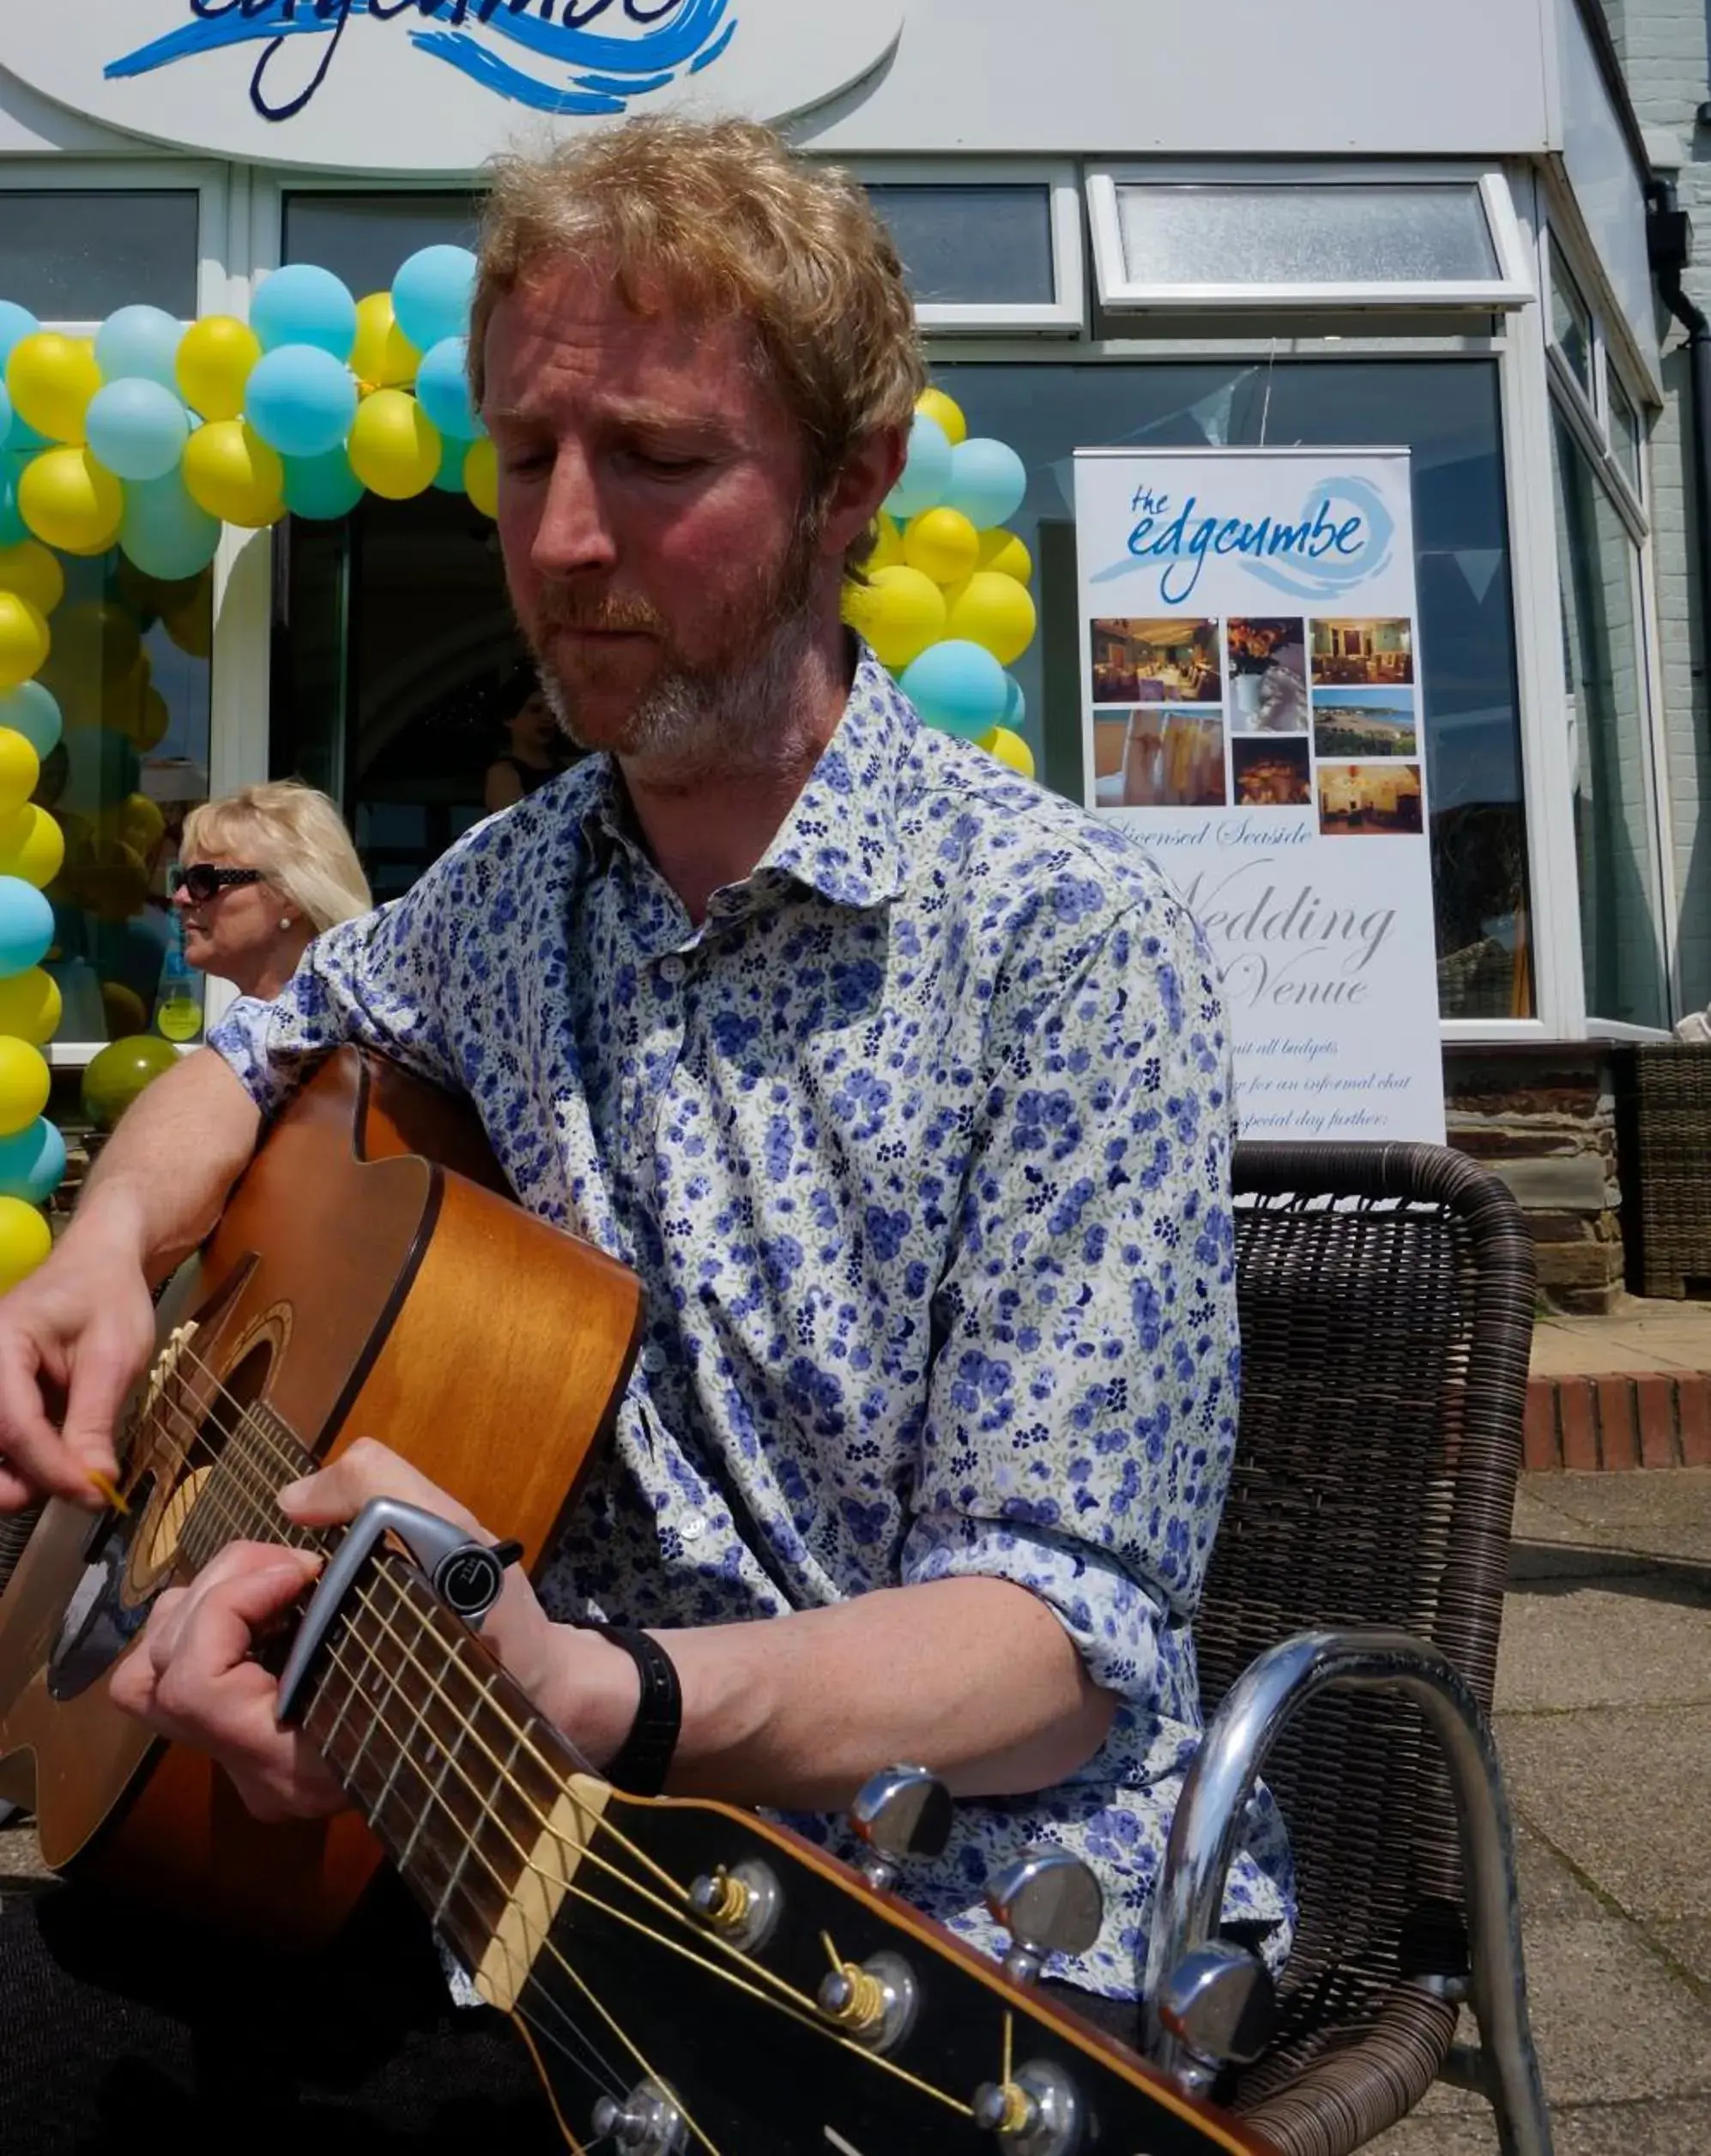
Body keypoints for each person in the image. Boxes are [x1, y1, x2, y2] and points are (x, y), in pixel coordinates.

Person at [0, 118, 1290, 2144]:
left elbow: (1053, 1647)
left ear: (853, 484)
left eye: (659, 462)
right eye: (526, 458)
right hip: (489, 1824)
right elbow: (256, 1049)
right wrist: (98, 1253)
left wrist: (613, 1691)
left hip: (918, 1938)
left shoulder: (1061, 940)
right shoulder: (511, 891)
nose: (563, 542)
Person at [170, 781, 373, 1002]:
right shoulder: (249, 1029)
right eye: (180, 880)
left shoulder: (343, 1030)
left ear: (290, 897)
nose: (180, 897)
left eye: (202, 880)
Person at [481, 662, 567, 812]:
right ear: (509, 718)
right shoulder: (503, 774)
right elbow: (516, 828)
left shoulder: (562, 769)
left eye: (552, 712)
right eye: (535, 710)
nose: (547, 719)